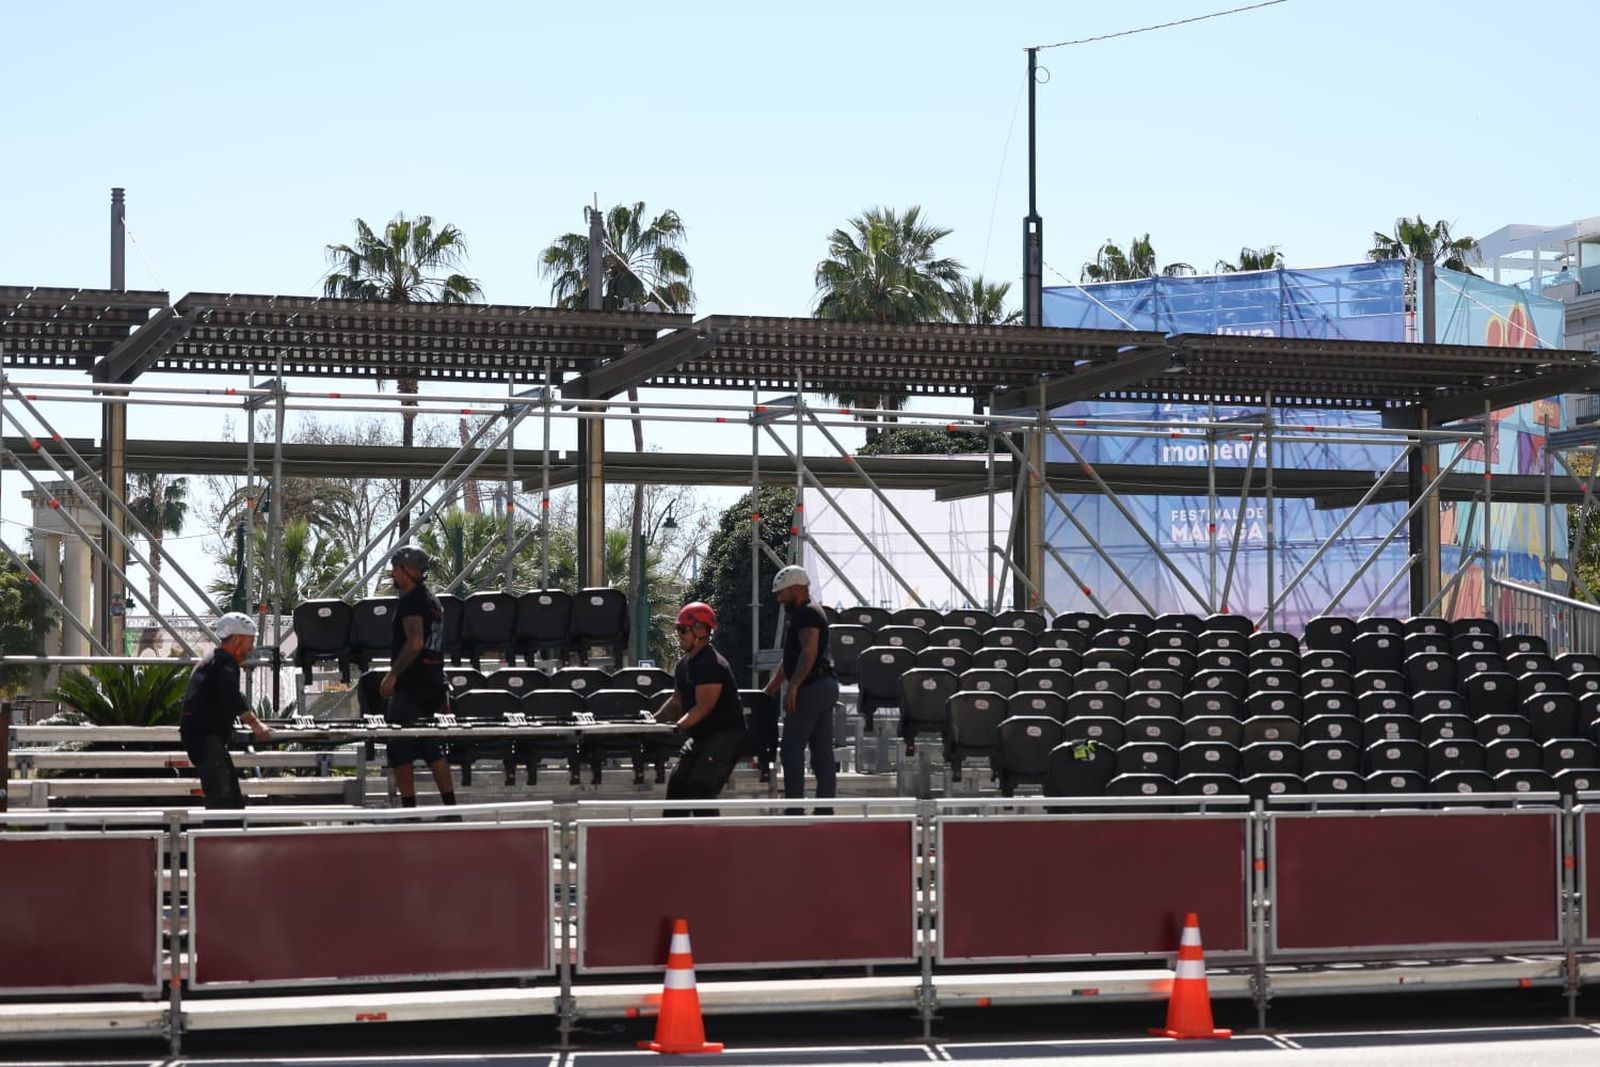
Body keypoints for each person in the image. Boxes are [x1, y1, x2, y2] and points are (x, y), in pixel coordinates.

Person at [380, 546, 457, 809]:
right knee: (430, 745)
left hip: (413, 686)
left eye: (396, 567)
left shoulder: (412, 600)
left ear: (409, 570)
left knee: (399, 745)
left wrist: (392, 674)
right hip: (434, 681)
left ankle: (409, 811)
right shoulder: (433, 599)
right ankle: (450, 808)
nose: (393, 572)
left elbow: (414, 644)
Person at [653, 602, 747, 814]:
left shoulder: (711, 664)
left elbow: (704, 707)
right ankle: (673, 840)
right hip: (702, 737)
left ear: (701, 630)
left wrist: (676, 728)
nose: (679, 635)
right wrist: (653, 723)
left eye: (683, 630)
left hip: (726, 735)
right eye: (678, 630)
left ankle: (710, 843)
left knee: (700, 788)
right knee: (677, 786)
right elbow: (677, 702)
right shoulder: (684, 664)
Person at [764, 565, 840, 811]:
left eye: (782, 593)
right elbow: (790, 661)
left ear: (796, 589)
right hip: (823, 686)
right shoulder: (806, 612)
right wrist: (771, 689)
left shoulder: (806, 614)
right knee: (821, 752)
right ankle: (825, 808)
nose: (778, 598)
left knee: (791, 749)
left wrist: (794, 686)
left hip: (812, 687)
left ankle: (794, 808)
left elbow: (808, 653)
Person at [179, 612, 273, 809]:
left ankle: (229, 832)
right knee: (222, 797)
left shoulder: (212, 658)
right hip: (205, 736)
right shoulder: (225, 662)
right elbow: (232, 696)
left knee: (230, 794)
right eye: (250, 641)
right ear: (237, 638)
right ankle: (219, 836)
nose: (251, 648)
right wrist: (257, 726)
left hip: (201, 734)